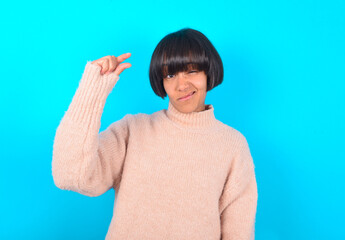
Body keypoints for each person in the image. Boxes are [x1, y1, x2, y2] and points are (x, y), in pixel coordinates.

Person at [52, 28, 258, 240]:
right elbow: (69, 175)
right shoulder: (133, 130)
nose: (181, 85)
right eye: (170, 75)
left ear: (208, 72)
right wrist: (91, 91)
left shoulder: (232, 145)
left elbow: (238, 234)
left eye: (192, 71)